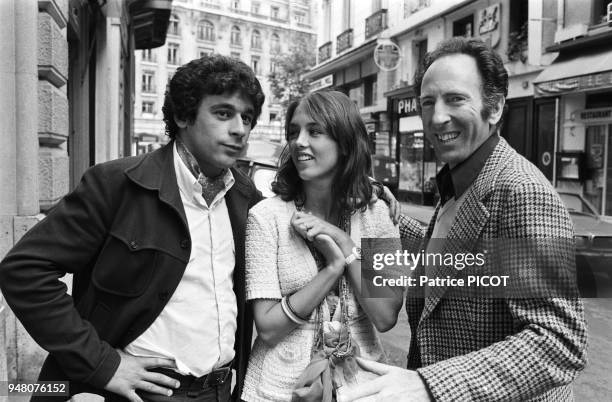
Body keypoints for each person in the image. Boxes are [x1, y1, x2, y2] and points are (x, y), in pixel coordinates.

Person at [0, 55, 266, 401]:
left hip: (222, 390)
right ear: (184, 115)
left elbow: (355, 289)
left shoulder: (249, 201)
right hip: (136, 392)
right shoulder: (117, 184)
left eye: (247, 118)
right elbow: (23, 270)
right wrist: (102, 365)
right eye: (223, 113)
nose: (240, 129)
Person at [344, 38, 588, 401]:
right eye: (428, 102)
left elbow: (558, 339)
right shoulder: (460, 181)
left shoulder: (520, 190)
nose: (438, 117)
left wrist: (431, 385)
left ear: (495, 107)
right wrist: (387, 216)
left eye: (455, 99)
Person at [240, 91, 420, 402]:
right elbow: (268, 327)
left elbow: (385, 316)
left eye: (315, 131)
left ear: (345, 142)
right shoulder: (266, 218)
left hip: (361, 386)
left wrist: (345, 245)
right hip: (280, 389)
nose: (299, 141)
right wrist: (333, 266)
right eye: (293, 132)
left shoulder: (377, 214)